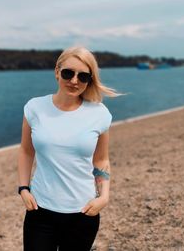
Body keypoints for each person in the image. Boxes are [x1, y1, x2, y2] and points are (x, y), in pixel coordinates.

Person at [18, 46, 121, 251]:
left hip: (83, 214)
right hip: (40, 211)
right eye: (68, 73)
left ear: (89, 80)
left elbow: (101, 160)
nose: (74, 80)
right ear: (57, 71)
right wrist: (23, 189)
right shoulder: (34, 108)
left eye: (83, 76)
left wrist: (104, 197)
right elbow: (26, 151)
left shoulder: (99, 114)